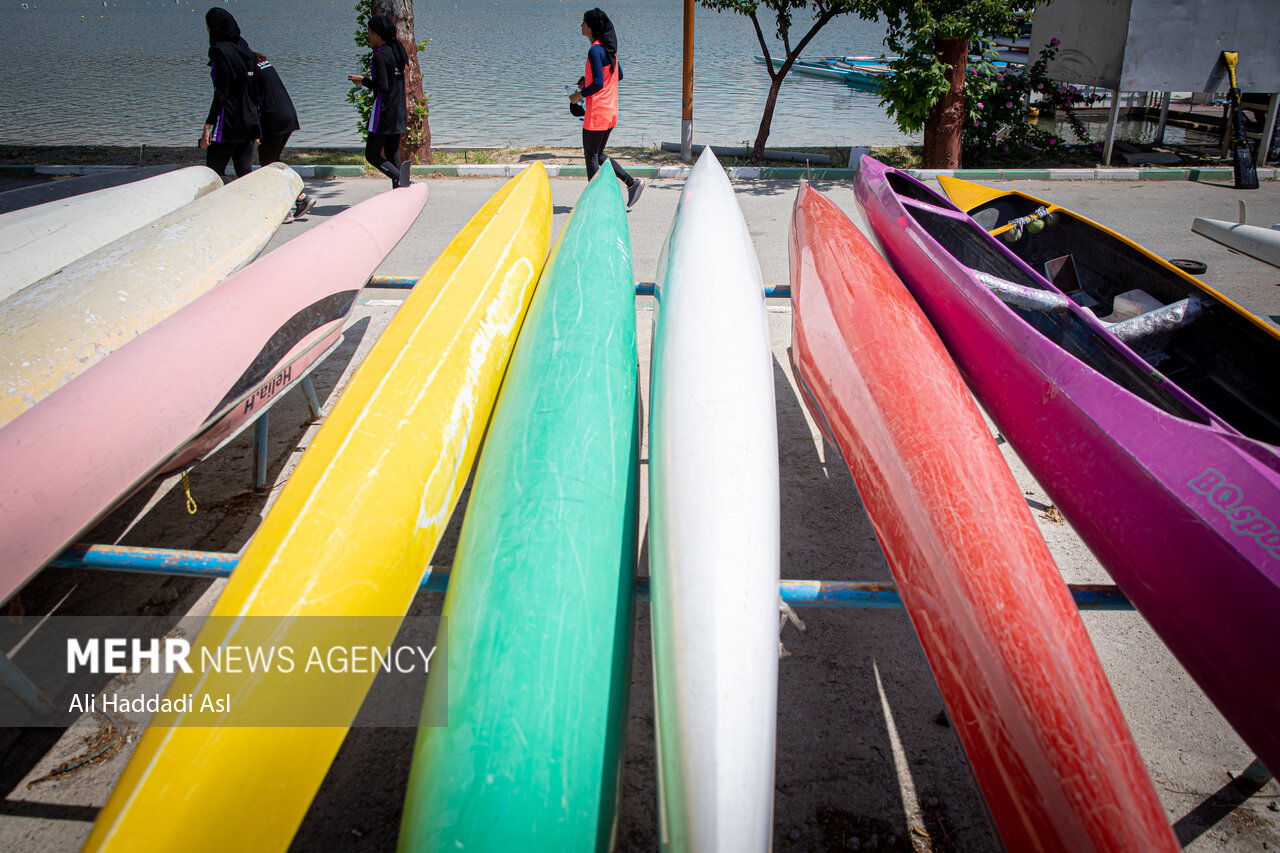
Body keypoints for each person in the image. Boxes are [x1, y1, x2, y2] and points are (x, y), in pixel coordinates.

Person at [569, 8, 644, 208]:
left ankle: (596, 201)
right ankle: (632, 183)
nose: (581, 25)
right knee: (599, 154)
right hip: (610, 111)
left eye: (584, 22)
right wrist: (588, 80)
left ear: (591, 28)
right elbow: (617, 75)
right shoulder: (609, 50)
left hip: (597, 112)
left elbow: (598, 85)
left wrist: (578, 96)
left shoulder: (594, 50)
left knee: (591, 156)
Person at [348, 15, 411, 189]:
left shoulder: (380, 55)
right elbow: (391, 82)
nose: (368, 35)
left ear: (377, 33)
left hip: (384, 112)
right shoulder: (398, 50)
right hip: (399, 110)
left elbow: (382, 86)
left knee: (372, 154)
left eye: (369, 32)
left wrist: (363, 80)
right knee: (391, 154)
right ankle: (402, 190)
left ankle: (402, 179)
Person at [253, 50, 314, 219]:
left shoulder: (250, 69)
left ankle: (292, 204)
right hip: (287, 114)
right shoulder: (263, 63)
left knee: (269, 165)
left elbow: (255, 101)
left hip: (273, 118)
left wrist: (255, 130)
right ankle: (300, 199)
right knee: (274, 162)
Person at [200, 8, 259, 181]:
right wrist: (257, 126)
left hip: (229, 123)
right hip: (249, 120)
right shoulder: (243, 47)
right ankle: (253, 205)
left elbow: (222, 93)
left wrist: (208, 126)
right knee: (244, 173)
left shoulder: (221, 51)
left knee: (213, 174)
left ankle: (222, 204)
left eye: (207, 25)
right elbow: (255, 87)